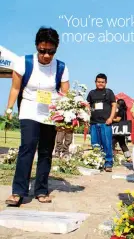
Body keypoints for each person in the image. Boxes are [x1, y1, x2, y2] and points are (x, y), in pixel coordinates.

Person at [5, 27, 69, 206]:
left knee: (46, 152)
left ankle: (41, 190)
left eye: (51, 51)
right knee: (27, 147)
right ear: (36, 46)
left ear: (56, 49)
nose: (46, 55)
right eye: (42, 51)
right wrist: (9, 110)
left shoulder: (61, 67)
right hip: (29, 109)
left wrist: (66, 117)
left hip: (50, 114)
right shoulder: (23, 62)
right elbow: (16, 88)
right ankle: (18, 192)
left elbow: (65, 94)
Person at [87, 73, 117, 172]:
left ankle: (108, 163)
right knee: (95, 144)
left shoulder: (109, 92)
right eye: (98, 82)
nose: (100, 84)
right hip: (94, 123)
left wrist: (111, 118)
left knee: (107, 144)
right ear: (95, 82)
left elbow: (114, 105)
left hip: (106, 123)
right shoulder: (91, 93)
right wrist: (87, 117)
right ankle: (97, 162)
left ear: (106, 83)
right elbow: (87, 106)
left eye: (102, 82)